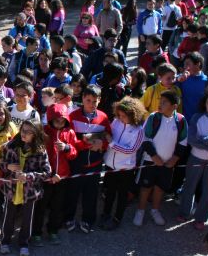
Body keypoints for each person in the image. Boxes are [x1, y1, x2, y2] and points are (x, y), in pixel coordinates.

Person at [0, 118, 51, 256]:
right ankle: (5, 241)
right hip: (11, 189)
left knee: (28, 218)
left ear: (36, 134)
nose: (24, 134)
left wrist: (29, 176)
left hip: (30, 192)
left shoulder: (40, 151)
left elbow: (46, 172)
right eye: (23, 130)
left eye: (28, 132)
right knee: (8, 216)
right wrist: (7, 166)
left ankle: (24, 243)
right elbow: (1, 164)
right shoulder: (11, 146)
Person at [135, 90, 188, 226]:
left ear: (174, 106)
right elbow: (145, 138)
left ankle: (155, 210)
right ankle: (140, 211)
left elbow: (183, 142)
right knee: (146, 187)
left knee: (160, 188)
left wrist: (174, 159)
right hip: (150, 161)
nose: (160, 104)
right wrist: (154, 156)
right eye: (160, 101)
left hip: (167, 164)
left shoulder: (181, 120)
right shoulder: (153, 117)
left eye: (164, 102)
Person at [178, 89, 208, 230]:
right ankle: (184, 212)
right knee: (189, 186)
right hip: (195, 158)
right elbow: (192, 139)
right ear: (205, 104)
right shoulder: (196, 117)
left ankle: (201, 218)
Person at [67, 85, 111, 233]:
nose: (91, 104)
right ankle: (69, 217)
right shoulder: (73, 116)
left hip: (95, 164)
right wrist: (85, 144)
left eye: (95, 101)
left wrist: (102, 144)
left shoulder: (103, 117)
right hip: (76, 164)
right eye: (88, 100)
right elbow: (69, 141)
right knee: (72, 192)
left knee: (91, 194)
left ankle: (88, 219)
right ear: (82, 99)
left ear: (99, 100)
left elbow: (109, 137)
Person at [101, 97, 146, 230]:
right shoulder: (116, 122)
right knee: (109, 192)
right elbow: (108, 134)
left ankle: (117, 218)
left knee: (122, 195)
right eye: (119, 115)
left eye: (124, 116)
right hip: (110, 165)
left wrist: (112, 143)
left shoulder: (139, 131)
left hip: (125, 169)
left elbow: (131, 150)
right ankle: (106, 214)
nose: (120, 118)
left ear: (133, 115)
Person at [35, 103, 77, 244]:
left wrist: (67, 148)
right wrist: (49, 173)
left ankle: (53, 231)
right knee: (40, 207)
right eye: (56, 120)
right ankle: (36, 233)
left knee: (57, 207)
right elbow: (39, 155)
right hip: (46, 178)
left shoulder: (69, 133)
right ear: (51, 119)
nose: (59, 123)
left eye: (62, 120)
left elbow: (74, 154)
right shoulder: (44, 132)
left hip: (62, 178)